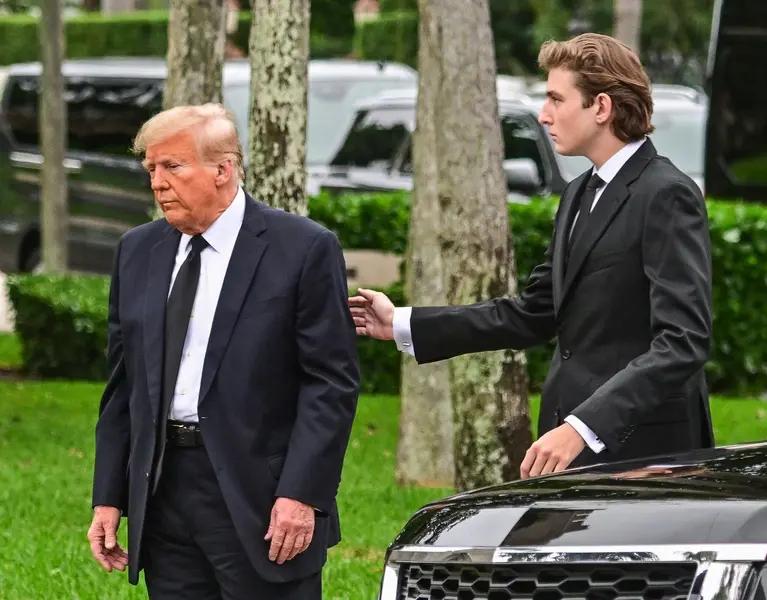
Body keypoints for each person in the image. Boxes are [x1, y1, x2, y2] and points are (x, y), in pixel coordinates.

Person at [350, 33, 713, 479]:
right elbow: (532, 314)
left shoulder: (667, 194)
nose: (543, 115)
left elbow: (683, 341)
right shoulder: (578, 193)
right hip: (567, 445)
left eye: (556, 99)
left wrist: (583, 427)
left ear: (601, 107)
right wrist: (402, 324)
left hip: (645, 455)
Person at [86, 103, 360, 600]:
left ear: (223, 169)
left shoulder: (302, 248)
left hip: (261, 498)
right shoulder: (137, 250)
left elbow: (330, 384)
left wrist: (301, 493)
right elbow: (123, 386)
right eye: (151, 169)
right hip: (163, 490)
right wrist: (108, 497)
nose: (158, 183)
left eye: (173, 166)